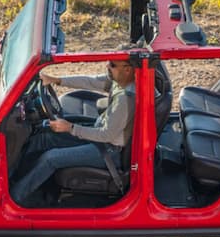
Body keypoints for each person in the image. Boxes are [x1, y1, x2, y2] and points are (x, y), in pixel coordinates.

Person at [10, 55, 136, 205]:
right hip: (99, 133)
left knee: (51, 158)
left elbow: (106, 135)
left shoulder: (126, 99)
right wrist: (57, 80)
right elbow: (92, 81)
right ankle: (16, 177)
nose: (107, 66)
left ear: (128, 70)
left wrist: (70, 128)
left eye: (112, 65)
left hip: (110, 149)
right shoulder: (118, 81)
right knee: (45, 138)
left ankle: (14, 198)